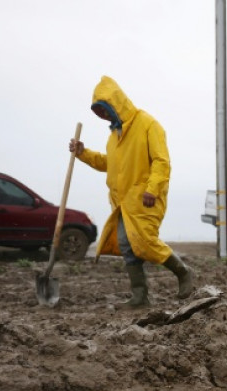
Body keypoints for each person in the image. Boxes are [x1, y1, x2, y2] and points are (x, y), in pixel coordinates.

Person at [69, 75, 193, 308]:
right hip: (123, 203)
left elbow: (161, 161)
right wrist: (83, 153)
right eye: (98, 112)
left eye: (104, 109)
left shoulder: (147, 124)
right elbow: (109, 163)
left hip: (146, 200)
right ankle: (140, 296)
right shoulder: (113, 137)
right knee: (128, 245)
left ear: (116, 103)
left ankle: (183, 272)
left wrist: (152, 189)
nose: (103, 115)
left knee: (144, 242)